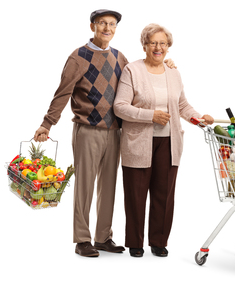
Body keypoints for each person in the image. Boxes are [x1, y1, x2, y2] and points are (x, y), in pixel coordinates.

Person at [33, 10, 176, 257]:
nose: (107, 28)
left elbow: (141, 76)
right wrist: (47, 124)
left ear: (116, 29)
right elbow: (63, 93)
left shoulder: (120, 58)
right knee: (85, 186)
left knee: (108, 187)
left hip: (115, 132)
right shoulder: (78, 57)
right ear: (93, 27)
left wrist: (168, 64)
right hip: (87, 130)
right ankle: (82, 239)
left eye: (112, 24)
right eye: (102, 24)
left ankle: (103, 237)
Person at [113, 23, 214, 257]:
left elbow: (181, 105)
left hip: (169, 142)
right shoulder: (132, 70)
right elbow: (120, 107)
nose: (158, 47)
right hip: (138, 143)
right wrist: (151, 116)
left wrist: (199, 118)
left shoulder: (174, 73)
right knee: (136, 194)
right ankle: (135, 243)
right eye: (153, 43)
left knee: (164, 194)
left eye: (163, 43)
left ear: (168, 47)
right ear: (145, 45)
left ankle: (158, 241)